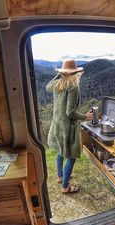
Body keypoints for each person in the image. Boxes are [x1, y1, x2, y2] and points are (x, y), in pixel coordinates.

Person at [46, 59, 93, 194]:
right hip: (67, 127)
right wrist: (86, 117)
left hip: (57, 124)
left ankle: (60, 177)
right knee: (71, 156)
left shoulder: (57, 84)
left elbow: (47, 86)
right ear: (76, 73)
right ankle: (65, 187)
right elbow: (70, 112)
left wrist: (60, 75)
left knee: (61, 151)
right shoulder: (73, 86)